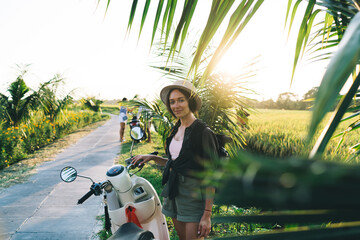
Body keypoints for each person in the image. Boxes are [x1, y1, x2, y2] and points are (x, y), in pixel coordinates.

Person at [132, 80, 218, 240]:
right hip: (172, 191)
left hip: (192, 193)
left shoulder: (203, 132)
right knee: (181, 237)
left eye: (181, 100)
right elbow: (177, 163)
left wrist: (207, 214)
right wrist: (152, 157)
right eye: (172, 102)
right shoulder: (175, 129)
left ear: (190, 102)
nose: (176, 105)